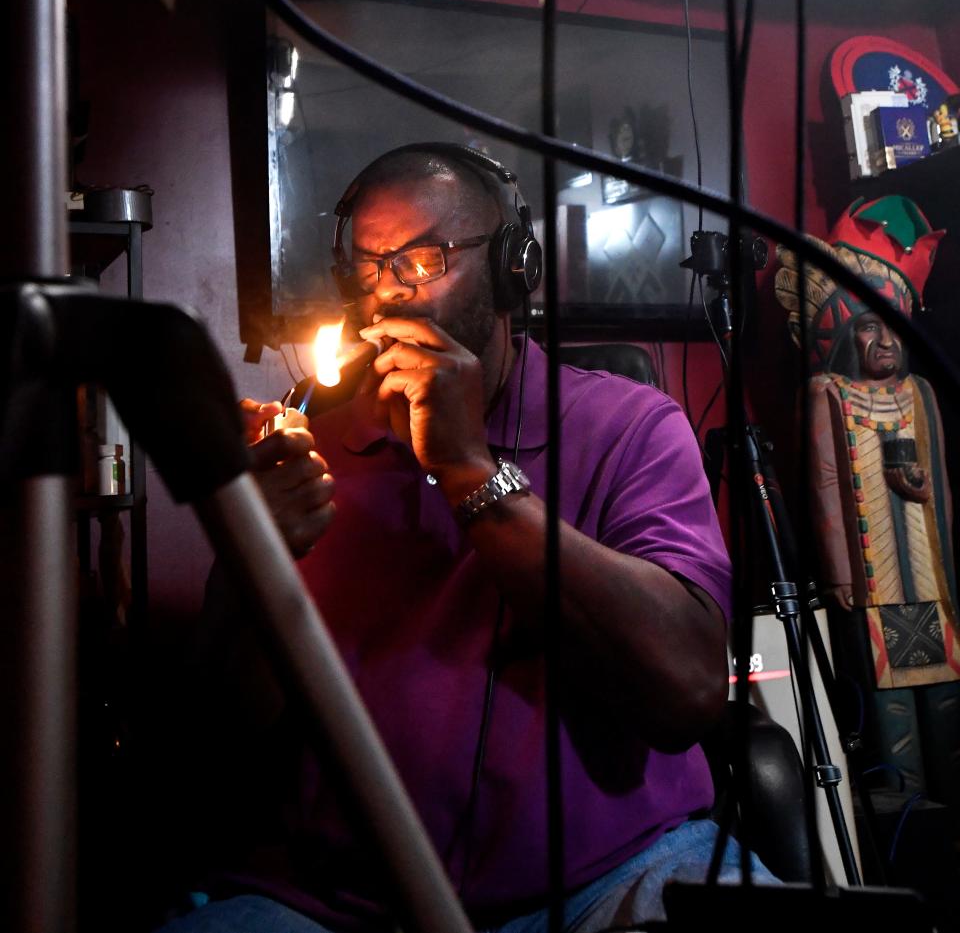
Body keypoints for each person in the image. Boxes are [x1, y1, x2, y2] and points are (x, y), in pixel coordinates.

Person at [170, 144, 770, 932]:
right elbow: (224, 741)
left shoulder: (630, 427)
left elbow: (687, 689)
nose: (389, 293)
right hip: (335, 903)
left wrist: (467, 469)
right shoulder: (307, 459)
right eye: (369, 265)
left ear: (515, 267)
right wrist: (255, 553)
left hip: (614, 872)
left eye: (425, 257)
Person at [775, 195, 960, 811]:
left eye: (893, 327)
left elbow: (937, 486)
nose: (883, 342)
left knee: (946, 705)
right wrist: (835, 576)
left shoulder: (922, 393)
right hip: (874, 587)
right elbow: (826, 487)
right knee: (892, 717)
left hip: (929, 581)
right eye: (868, 327)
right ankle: (912, 826)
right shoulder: (826, 395)